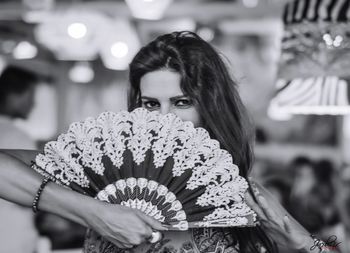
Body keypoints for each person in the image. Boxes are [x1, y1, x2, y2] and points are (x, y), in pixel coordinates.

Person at [0, 32, 329, 252]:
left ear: (210, 105)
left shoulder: (239, 197)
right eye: (151, 104)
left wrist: (300, 241)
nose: (164, 118)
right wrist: (92, 211)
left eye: (182, 102)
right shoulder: (105, 172)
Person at [0, 66, 40, 253]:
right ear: (15, 95)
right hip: (12, 237)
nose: (34, 103)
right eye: (31, 95)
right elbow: (34, 191)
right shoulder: (19, 138)